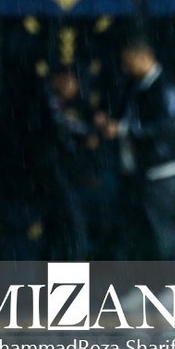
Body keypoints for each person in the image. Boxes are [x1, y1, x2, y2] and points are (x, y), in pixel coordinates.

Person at [96, 36, 175, 262]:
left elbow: (166, 128)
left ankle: (169, 289)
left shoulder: (165, 86)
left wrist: (125, 130)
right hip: (138, 170)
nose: (126, 67)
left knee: (161, 227)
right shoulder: (136, 86)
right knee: (141, 230)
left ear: (145, 57)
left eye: (129, 61)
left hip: (161, 169)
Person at [44, 67, 101, 261]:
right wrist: (90, 133)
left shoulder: (75, 104)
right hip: (55, 172)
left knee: (66, 226)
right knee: (71, 224)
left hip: (70, 173)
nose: (74, 86)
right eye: (70, 81)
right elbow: (63, 124)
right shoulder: (49, 101)